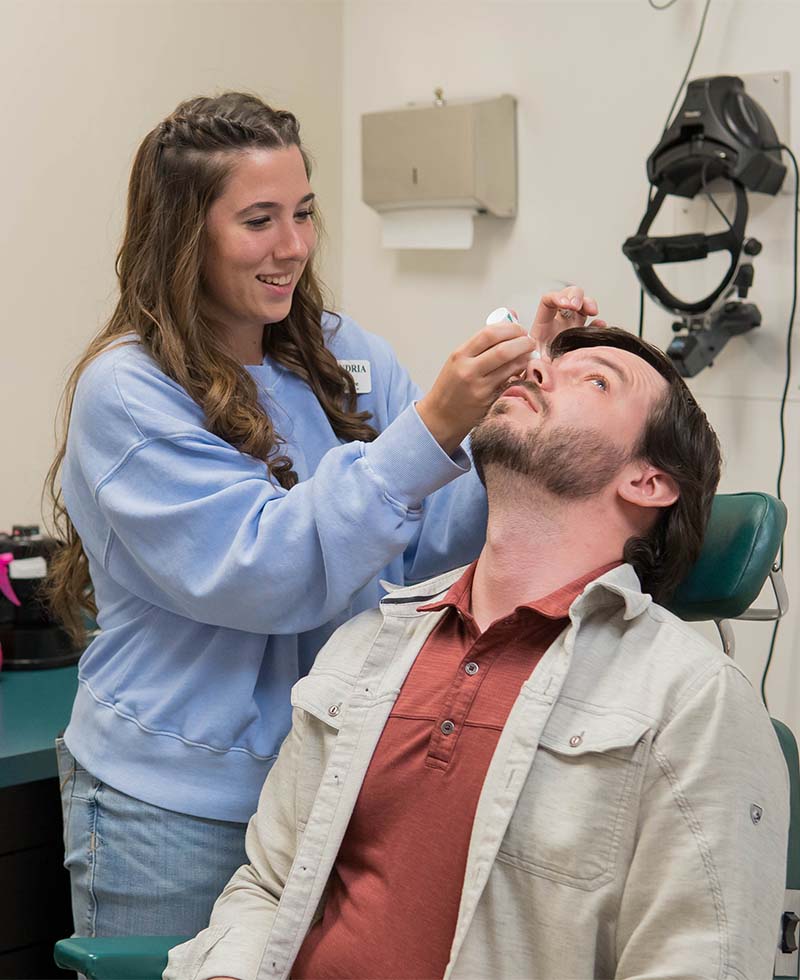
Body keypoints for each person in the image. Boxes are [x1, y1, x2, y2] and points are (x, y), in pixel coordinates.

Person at [46, 90, 598, 937]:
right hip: (176, 809)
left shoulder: (345, 357)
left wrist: (522, 403)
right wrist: (431, 428)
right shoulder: (128, 390)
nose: (295, 246)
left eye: (303, 213)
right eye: (259, 220)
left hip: (330, 787)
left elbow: (433, 551)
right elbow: (267, 572)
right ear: (184, 233)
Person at [165, 326, 789, 980]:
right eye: (549, 360)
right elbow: (266, 885)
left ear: (648, 481)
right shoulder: (367, 645)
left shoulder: (693, 704)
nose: (537, 370)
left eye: (596, 379)